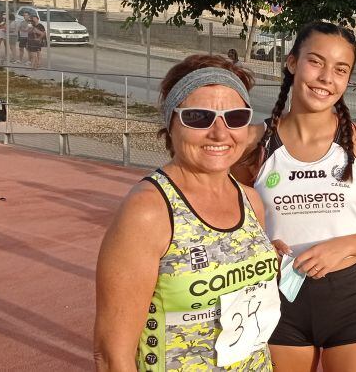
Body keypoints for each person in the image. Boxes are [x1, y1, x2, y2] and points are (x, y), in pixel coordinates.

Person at [232, 21, 356, 372]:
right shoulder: (255, 144)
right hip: (279, 298)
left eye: (340, 69)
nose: (327, 77)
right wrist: (260, 245)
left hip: (351, 298)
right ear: (292, 63)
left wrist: (344, 245)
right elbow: (228, 223)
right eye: (316, 62)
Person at [93, 55, 279, 371]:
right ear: (171, 123)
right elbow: (111, 355)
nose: (220, 134)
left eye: (235, 117)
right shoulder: (149, 211)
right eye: (198, 117)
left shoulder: (250, 200)